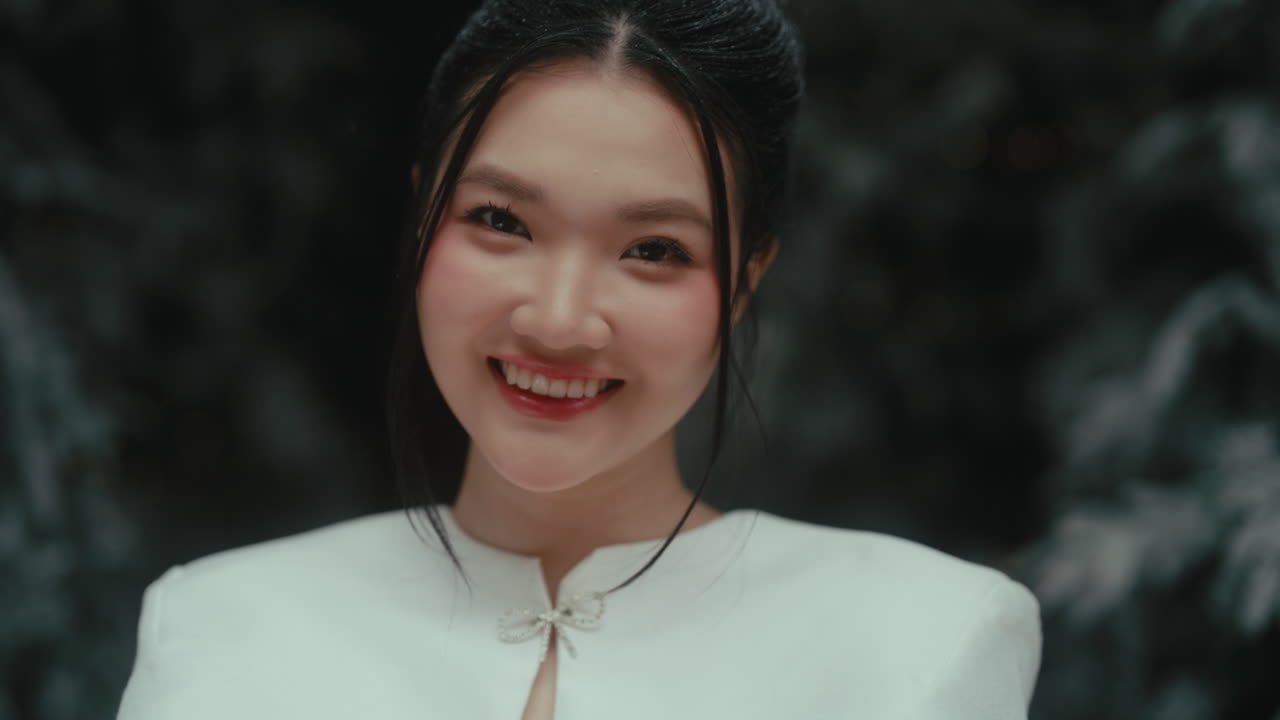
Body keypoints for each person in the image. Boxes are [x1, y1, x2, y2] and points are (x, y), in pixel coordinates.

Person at [118, 1, 1042, 718]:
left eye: (655, 249)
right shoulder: (222, 628)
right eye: (500, 220)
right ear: (423, 215)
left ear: (745, 281)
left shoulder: (924, 637)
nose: (559, 322)